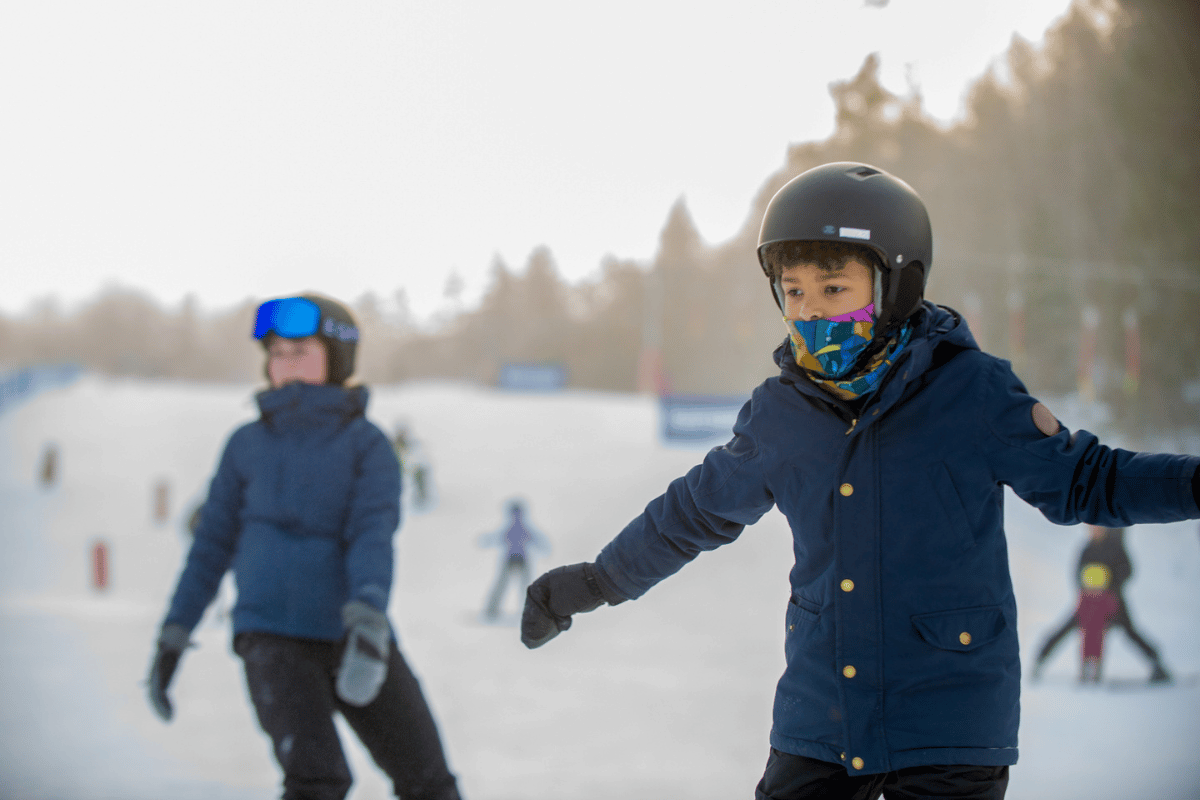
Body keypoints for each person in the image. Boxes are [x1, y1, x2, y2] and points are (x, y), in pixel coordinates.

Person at [519, 162, 1200, 800]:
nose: (811, 313)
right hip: (824, 715)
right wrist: (597, 581)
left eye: (834, 288)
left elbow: (1091, 481)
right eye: (795, 293)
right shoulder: (781, 415)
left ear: (897, 285)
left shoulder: (972, 393)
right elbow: (693, 513)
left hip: (949, 722)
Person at [146, 294, 462, 800]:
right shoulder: (245, 445)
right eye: (276, 354)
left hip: (350, 631)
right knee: (318, 782)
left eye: (300, 351)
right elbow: (211, 547)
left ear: (336, 358)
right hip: (271, 640)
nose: (284, 364)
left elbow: (371, 536)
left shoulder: (368, 445)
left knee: (430, 782)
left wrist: (367, 626)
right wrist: (174, 633)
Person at [1031, 525, 1169, 683]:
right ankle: (1040, 660)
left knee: (1130, 631)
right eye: (1091, 528)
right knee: (1066, 627)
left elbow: (1128, 571)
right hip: (1088, 603)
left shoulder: (1116, 547)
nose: (1094, 530)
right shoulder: (1087, 548)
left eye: (1097, 527)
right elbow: (1077, 574)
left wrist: (1110, 584)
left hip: (1113, 602)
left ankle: (1156, 663)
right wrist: (1088, 587)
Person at [478, 499, 550, 621]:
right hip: (513, 559)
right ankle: (496, 610)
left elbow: (498, 536)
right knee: (512, 585)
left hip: (519, 559)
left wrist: (487, 540)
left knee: (518, 585)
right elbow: (536, 538)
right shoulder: (517, 527)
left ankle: (494, 610)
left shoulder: (516, 528)